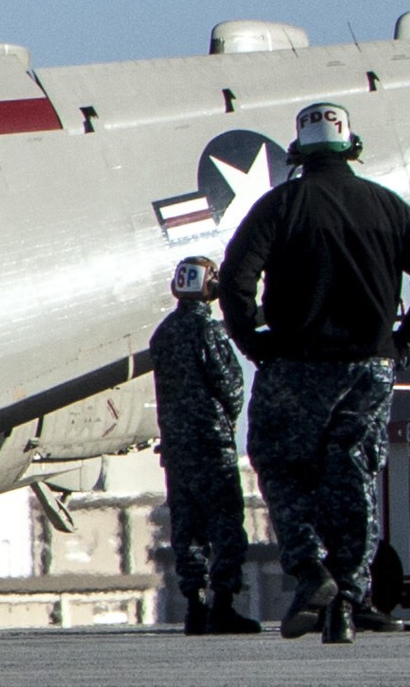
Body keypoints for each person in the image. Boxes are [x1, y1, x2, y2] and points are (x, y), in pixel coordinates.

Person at [219, 102, 410, 644]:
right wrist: (401, 340)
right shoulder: (388, 208)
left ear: (298, 153)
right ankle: (351, 598)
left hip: (294, 365)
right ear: (353, 149)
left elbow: (235, 280)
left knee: (282, 468)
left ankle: (312, 573)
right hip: (368, 367)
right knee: (353, 474)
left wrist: (253, 342)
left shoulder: (280, 205)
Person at [148, 257, 261, 635]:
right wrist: (226, 421)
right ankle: (223, 605)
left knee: (187, 527)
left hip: (177, 448)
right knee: (225, 524)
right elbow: (230, 387)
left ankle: (194, 605)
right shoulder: (209, 331)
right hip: (211, 445)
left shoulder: (162, 334)